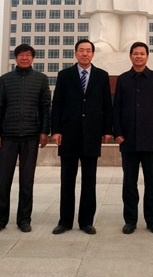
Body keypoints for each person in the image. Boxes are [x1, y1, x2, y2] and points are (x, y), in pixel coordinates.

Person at [50, 39, 113, 235]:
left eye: (88, 51)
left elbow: (107, 105)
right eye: (81, 50)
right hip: (69, 134)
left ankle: (86, 221)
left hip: (92, 134)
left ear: (93, 54)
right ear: (75, 53)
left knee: (89, 180)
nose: (85, 54)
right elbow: (57, 104)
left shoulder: (102, 76)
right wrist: (56, 130)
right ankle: (65, 221)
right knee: (67, 180)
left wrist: (107, 130)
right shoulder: (64, 75)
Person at [0, 44, 51, 233]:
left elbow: (45, 107)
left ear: (33, 58)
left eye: (28, 55)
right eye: (21, 55)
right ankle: (0, 220)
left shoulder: (41, 79)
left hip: (31, 136)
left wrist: (44, 131)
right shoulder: (5, 79)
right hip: (8, 136)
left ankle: (24, 219)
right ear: (15, 58)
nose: (25, 58)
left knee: (27, 180)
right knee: (3, 180)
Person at [113, 42, 153, 234]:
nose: (138, 56)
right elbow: (116, 108)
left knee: (152, 182)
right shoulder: (123, 79)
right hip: (128, 140)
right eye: (135, 53)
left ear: (147, 57)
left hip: (151, 140)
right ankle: (130, 220)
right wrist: (117, 132)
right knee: (129, 182)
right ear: (130, 56)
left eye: (142, 54)